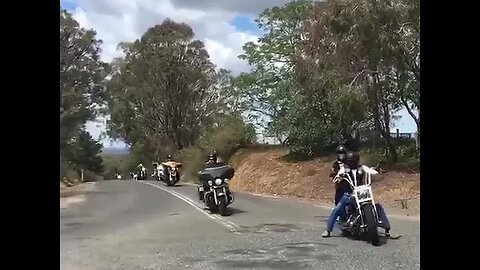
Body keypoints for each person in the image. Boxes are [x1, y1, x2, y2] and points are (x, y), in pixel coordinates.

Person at [322, 151, 395, 239]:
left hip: (362, 192)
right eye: (351, 160)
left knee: (378, 207)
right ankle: (328, 230)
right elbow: (339, 175)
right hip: (350, 194)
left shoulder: (362, 167)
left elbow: (371, 171)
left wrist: (377, 171)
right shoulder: (344, 169)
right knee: (337, 209)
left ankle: (387, 230)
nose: (353, 162)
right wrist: (338, 177)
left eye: (354, 160)